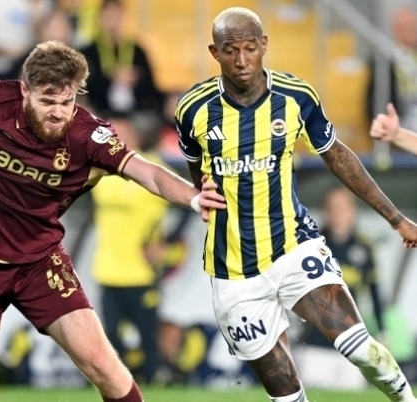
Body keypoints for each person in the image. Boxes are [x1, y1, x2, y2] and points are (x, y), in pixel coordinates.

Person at [0, 36, 226, 402]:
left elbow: (147, 171)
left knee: (107, 369)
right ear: (25, 90)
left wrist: (193, 196)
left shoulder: (88, 135)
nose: (58, 112)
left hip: (38, 264)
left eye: (66, 102)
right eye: (47, 101)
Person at [175, 7, 417, 402]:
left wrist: (396, 219)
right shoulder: (193, 109)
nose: (242, 60)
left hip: (293, 248)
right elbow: (196, 171)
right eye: (231, 51)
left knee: (361, 348)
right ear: (214, 52)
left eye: (250, 48)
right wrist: (200, 191)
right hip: (233, 271)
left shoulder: (296, 97)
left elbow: (338, 157)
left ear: (264, 45)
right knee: (287, 396)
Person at [91, 112, 168, 384]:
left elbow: (185, 204)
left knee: (148, 337)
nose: (114, 140)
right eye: (111, 135)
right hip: (108, 270)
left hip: (141, 272)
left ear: (134, 137)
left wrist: (168, 243)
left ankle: (155, 383)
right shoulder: (99, 168)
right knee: (111, 335)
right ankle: (122, 385)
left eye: (120, 135)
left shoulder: (152, 167)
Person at [297, 186, 385, 390]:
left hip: (353, 344)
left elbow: (375, 295)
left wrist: (382, 334)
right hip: (315, 344)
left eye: (343, 207)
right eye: (333, 207)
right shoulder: (310, 247)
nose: (338, 212)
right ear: (325, 210)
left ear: (353, 210)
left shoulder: (364, 248)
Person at [80, 0, 164, 115]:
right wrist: (111, 78)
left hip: (135, 113)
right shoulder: (88, 52)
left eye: (117, 16)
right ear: (100, 19)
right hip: (101, 112)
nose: (113, 22)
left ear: (124, 18)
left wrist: (134, 79)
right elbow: (85, 88)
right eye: (109, 16)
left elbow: (151, 88)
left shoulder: (137, 51)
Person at [366, 7, 417, 132]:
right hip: (402, 121)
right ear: (395, 30)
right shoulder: (384, 60)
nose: (411, 29)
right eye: (405, 25)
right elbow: (374, 99)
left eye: (413, 25)